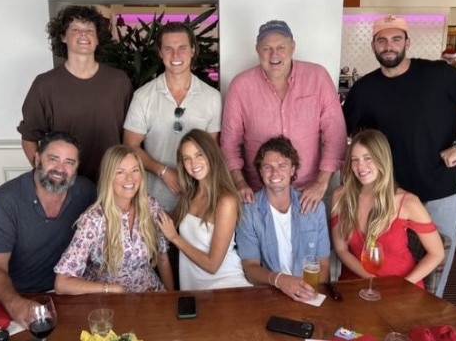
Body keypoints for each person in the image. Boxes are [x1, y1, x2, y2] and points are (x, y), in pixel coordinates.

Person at [342, 15, 456, 297]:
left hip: (439, 188)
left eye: (395, 39)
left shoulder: (438, 74)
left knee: (435, 266)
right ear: (373, 46)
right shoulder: (364, 90)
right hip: (391, 196)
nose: (389, 46)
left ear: (407, 42)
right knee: (389, 264)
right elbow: (346, 135)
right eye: (382, 40)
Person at [221, 20, 347, 213]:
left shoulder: (317, 77)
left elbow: (335, 136)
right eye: (267, 48)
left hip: (308, 194)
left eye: (281, 47)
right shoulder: (240, 86)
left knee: (309, 243)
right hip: (258, 195)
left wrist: (321, 184)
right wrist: (239, 182)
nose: (274, 55)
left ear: (293, 47)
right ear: (257, 50)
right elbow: (229, 143)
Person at [0, 132, 96, 326]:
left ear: (77, 167)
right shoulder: (5, 200)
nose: (60, 169)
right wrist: (15, 304)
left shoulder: (87, 192)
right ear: (37, 158)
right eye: (53, 159)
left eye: (69, 162)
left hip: (72, 293)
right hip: (21, 295)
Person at [17, 5, 133, 183]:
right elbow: (29, 139)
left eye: (89, 30)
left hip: (112, 183)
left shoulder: (119, 81)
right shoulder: (44, 85)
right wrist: (48, 178)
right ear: (63, 37)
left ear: (98, 38)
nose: (83, 34)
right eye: (76, 29)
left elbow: (132, 136)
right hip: (64, 187)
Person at [123, 22, 222, 214]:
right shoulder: (143, 96)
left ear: (193, 50)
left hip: (197, 201)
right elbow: (130, 147)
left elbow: (210, 151)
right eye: (168, 49)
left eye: (182, 48)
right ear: (160, 52)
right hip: (154, 200)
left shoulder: (211, 97)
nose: (175, 55)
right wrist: (163, 171)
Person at [330, 129, 444, 289]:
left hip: (400, 287)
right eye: (355, 160)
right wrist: (370, 280)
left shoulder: (407, 202)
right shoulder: (341, 196)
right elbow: (341, 249)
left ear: (382, 159)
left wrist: (401, 285)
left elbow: (437, 253)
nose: (360, 166)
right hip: (356, 283)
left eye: (368, 158)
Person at [54, 145, 174, 294]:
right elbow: (61, 284)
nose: (129, 178)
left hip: (149, 294)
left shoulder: (151, 206)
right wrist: (111, 289)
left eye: (135, 170)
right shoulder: (93, 219)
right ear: (108, 176)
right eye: (120, 172)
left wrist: (171, 297)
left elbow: (162, 257)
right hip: (109, 302)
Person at [236, 136, 330, 302]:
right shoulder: (248, 210)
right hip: (269, 295)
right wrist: (281, 281)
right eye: (268, 167)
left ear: (293, 170)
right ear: (260, 171)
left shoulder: (315, 208)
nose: (275, 173)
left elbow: (323, 266)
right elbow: (250, 269)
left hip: (309, 296)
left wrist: (303, 291)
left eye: (282, 165)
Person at [157, 129, 251, 290]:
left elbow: (212, 265)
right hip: (195, 290)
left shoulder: (226, 200)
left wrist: (174, 238)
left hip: (226, 285)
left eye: (199, 155)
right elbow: (172, 223)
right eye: (187, 158)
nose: (193, 164)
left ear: (211, 155)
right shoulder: (190, 194)